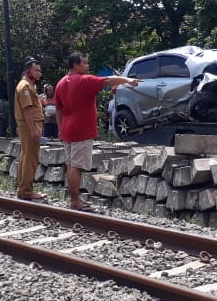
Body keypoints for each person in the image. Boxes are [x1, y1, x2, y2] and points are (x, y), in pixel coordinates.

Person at [55, 52, 141, 211]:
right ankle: (75, 201)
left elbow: (58, 110)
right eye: (85, 63)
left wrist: (60, 130)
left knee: (71, 165)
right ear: (75, 65)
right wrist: (127, 80)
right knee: (77, 166)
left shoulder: (60, 83)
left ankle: (75, 198)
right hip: (81, 129)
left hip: (67, 129)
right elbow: (107, 80)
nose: (87, 66)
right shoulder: (84, 80)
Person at [14, 59, 47, 201]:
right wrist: (33, 130)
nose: (39, 73)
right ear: (28, 71)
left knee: (26, 157)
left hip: (29, 125)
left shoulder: (29, 85)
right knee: (31, 158)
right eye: (36, 70)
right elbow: (27, 110)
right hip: (29, 125)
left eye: (40, 70)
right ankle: (26, 191)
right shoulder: (25, 86)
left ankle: (22, 190)